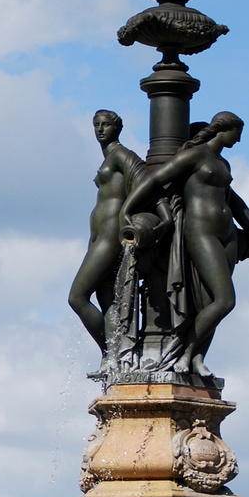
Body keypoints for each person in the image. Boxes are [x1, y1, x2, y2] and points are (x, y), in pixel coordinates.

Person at [118, 110, 249, 378]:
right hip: (202, 233)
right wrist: (126, 209)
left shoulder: (222, 163)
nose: (240, 139)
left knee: (209, 302)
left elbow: (233, 201)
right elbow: (154, 179)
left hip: (227, 235)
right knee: (225, 300)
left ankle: (198, 357)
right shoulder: (195, 155)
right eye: (238, 132)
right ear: (225, 128)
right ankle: (184, 352)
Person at [68, 110, 148, 350]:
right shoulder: (108, 158)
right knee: (107, 299)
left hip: (110, 235)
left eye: (106, 125)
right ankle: (118, 354)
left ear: (118, 128)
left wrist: (127, 212)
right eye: (96, 125)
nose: (100, 129)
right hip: (99, 236)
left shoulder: (121, 155)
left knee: (77, 297)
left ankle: (109, 352)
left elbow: (146, 181)